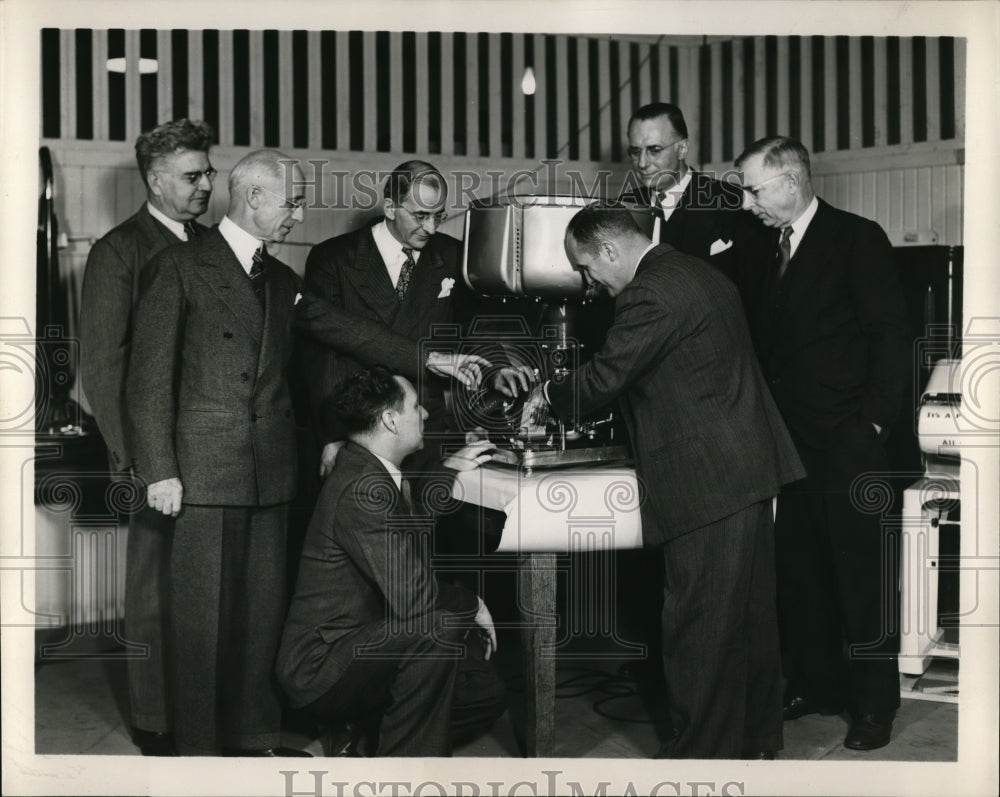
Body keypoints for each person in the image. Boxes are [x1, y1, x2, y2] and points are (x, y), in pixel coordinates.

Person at [521, 204, 804, 759]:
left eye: (586, 268)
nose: (589, 283)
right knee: (747, 621)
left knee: (699, 626)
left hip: (707, 479)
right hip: (746, 465)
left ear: (609, 250)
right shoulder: (696, 271)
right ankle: (754, 744)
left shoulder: (650, 292)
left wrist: (547, 394)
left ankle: (699, 759)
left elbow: (606, 377)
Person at [125, 149, 312, 756]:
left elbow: (334, 336)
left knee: (262, 617)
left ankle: (254, 738)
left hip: (270, 473)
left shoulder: (283, 280)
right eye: (292, 202)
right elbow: (147, 381)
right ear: (254, 197)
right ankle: (199, 750)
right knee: (201, 621)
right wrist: (159, 471)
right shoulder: (178, 266)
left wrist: (433, 358)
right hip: (202, 473)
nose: (298, 215)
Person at [735, 136, 910, 751]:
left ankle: (874, 705)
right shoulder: (763, 246)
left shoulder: (857, 238)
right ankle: (816, 684)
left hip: (849, 443)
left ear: (791, 181)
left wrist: (873, 425)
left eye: (753, 190)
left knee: (863, 577)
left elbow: (892, 337)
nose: (747, 203)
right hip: (788, 443)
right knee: (800, 572)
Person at [276, 366, 506, 757]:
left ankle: (359, 732)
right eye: (416, 406)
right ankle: (403, 771)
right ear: (390, 420)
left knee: (485, 692)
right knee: (437, 627)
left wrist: (450, 469)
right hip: (322, 667)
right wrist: (473, 604)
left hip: (366, 642)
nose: (426, 413)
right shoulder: (362, 488)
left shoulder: (369, 468)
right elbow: (415, 600)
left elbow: (407, 527)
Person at [78, 118, 215, 756]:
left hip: (213, 451)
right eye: (192, 176)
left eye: (208, 172)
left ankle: (205, 713)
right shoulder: (119, 251)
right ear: (155, 182)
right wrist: (140, 463)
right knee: (154, 593)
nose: (206, 184)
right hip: (154, 458)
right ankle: (156, 722)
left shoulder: (213, 244)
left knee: (208, 591)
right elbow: (100, 369)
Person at [298, 159, 532, 478]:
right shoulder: (334, 258)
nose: (431, 228)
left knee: (423, 506)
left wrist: (496, 369)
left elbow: (474, 327)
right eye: (421, 216)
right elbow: (322, 356)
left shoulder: (452, 256)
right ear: (391, 208)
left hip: (423, 426)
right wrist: (333, 435)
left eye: (439, 216)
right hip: (358, 426)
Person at [619, 102, 752, 277]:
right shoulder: (625, 204)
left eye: (654, 150)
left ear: (682, 149)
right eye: (636, 152)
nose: (642, 163)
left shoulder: (730, 201)